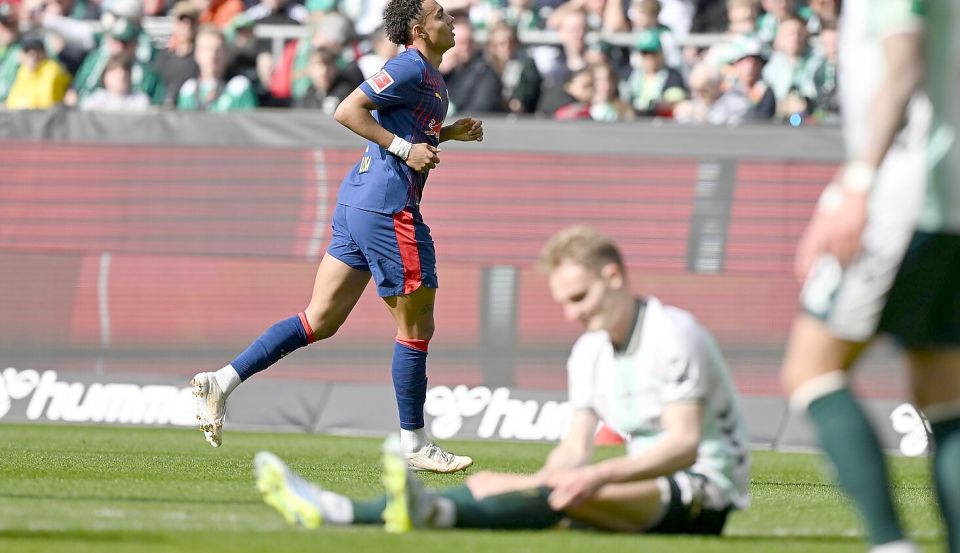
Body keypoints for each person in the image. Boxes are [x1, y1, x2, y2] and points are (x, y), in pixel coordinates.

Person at [253, 225, 750, 534]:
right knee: (495, 483)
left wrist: (589, 478)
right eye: (563, 302)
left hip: (703, 494)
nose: (572, 314)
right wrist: (552, 478)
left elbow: (683, 446)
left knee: (562, 493)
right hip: (647, 485)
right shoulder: (589, 352)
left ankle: (396, 514)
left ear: (614, 277)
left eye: (580, 298)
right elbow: (575, 448)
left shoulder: (672, 335)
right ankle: (345, 511)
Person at [191, 0, 484, 474]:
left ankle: (220, 382)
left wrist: (445, 135)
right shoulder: (409, 66)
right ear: (418, 29)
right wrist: (407, 149)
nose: (450, 19)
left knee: (319, 320)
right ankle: (415, 443)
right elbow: (348, 110)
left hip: (359, 204)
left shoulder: (429, 75)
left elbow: (405, 128)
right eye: (440, 14)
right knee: (416, 327)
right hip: (387, 207)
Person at [781, 1, 960, 553]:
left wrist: (856, 184)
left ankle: (891, 545)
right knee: (943, 393)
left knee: (810, 370)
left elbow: (904, 64)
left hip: (905, 195)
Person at [176, 25, 257, 111]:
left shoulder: (239, 88)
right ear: (197, 54)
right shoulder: (188, 91)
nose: (212, 55)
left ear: (226, 53)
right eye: (206, 49)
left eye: (218, 50)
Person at [4, 32, 71, 109]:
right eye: (27, 51)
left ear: (44, 53)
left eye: (36, 51)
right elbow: (12, 101)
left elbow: (46, 102)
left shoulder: (52, 69)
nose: (32, 56)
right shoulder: (23, 70)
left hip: (50, 115)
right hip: (26, 114)